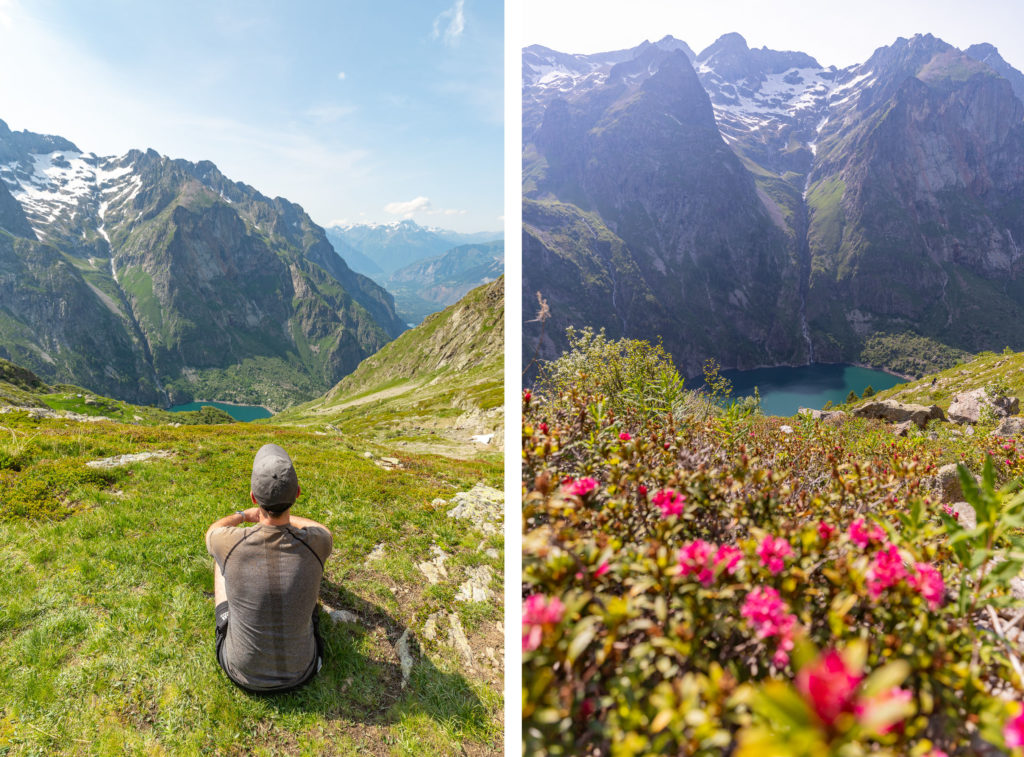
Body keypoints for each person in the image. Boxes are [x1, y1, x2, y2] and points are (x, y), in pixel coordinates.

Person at [205, 443, 333, 693]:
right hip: (303, 671)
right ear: (297, 493)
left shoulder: (228, 542)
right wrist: (286, 519)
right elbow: (322, 528)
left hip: (240, 672)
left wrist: (245, 515)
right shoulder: (319, 543)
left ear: (254, 497)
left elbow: (213, 531)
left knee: (220, 560)